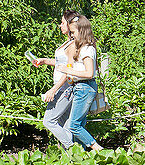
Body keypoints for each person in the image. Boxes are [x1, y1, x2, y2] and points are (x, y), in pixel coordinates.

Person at [43, 14, 103, 151]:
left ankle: (98, 150)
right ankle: (79, 156)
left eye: (74, 32)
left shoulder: (88, 49)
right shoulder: (81, 47)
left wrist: (68, 71)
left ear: (81, 31)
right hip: (79, 87)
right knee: (76, 126)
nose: (72, 36)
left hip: (84, 87)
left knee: (73, 126)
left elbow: (89, 73)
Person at [32, 10, 78, 147]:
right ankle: (71, 160)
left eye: (62, 23)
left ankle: (72, 148)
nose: (60, 25)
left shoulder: (74, 44)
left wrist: (53, 90)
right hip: (61, 86)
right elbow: (61, 63)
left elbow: (69, 70)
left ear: (70, 25)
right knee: (65, 126)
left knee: (49, 121)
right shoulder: (67, 43)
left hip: (65, 88)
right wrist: (45, 61)